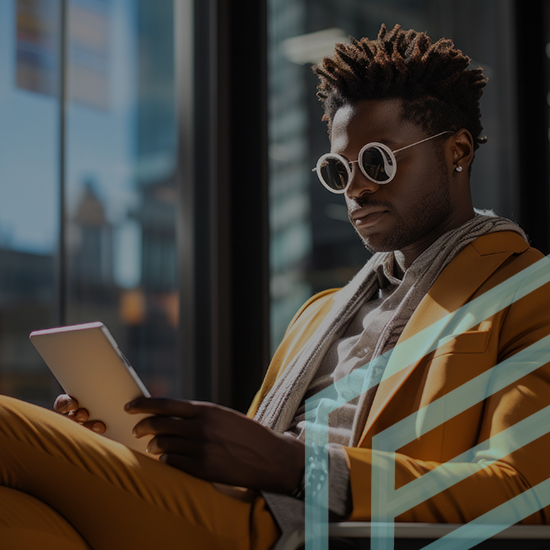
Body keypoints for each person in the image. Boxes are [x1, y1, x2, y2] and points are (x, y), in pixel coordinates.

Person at [1, 23, 549, 549]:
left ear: (457, 152)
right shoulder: (319, 314)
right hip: (236, 509)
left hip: (312, 532)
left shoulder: (529, 292)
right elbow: (252, 458)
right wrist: (133, 443)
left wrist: (294, 466)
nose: (355, 189)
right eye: (339, 170)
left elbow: (522, 495)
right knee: (16, 515)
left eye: (378, 162)